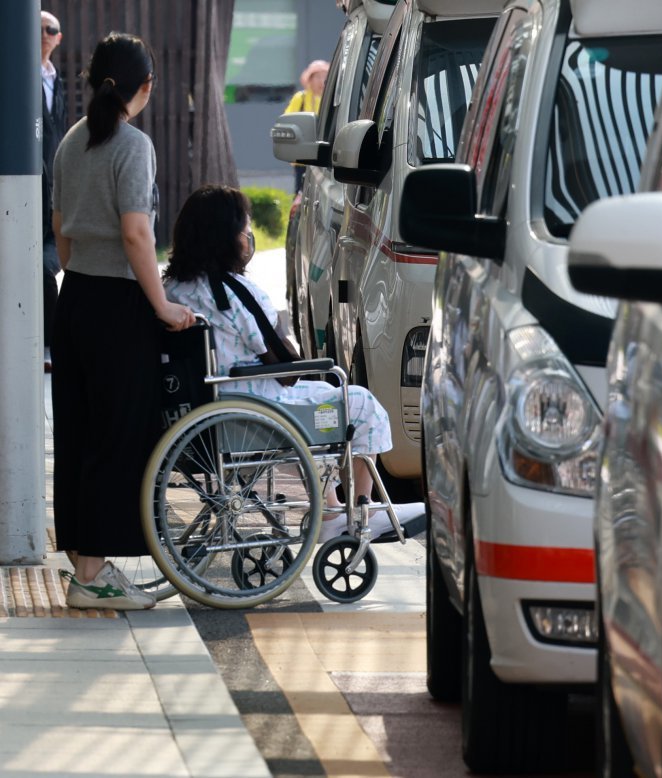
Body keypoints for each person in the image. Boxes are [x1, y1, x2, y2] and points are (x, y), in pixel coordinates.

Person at [163, 184, 422, 542]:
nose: (248, 238)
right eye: (244, 229)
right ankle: (361, 510)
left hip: (208, 408)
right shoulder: (235, 292)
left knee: (323, 402)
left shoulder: (173, 290)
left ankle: (332, 505)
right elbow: (284, 365)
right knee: (358, 403)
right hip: (257, 408)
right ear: (226, 238)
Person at [52, 33, 196, 611]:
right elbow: (138, 232)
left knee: (79, 433)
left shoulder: (70, 141)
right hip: (118, 307)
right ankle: (92, 575)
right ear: (145, 87)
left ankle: (87, 566)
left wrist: (80, 272)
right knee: (116, 437)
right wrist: (160, 304)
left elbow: (61, 228)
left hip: (77, 300)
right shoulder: (133, 146)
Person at [41, 10, 67, 372]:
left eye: (51, 29)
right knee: (42, 270)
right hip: (25, 190)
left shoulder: (54, 79)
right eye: (39, 29)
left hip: (53, 193)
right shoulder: (18, 73)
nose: (44, 34)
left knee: (48, 264)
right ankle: (48, 343)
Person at [284, 59, 329, 192]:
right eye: (317, 77)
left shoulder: (330, 99)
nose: (321, 81)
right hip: (303, 157)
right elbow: (288, 121)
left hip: (324, 156)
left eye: (325, 77)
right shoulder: (300, 98)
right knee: (301, 192)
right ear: (309, 79)